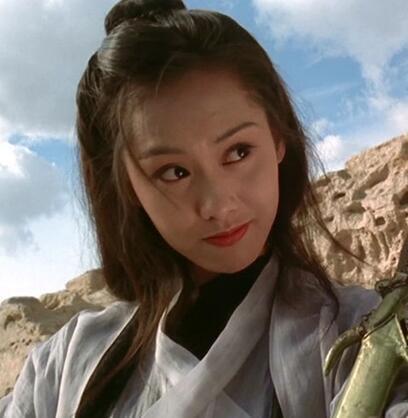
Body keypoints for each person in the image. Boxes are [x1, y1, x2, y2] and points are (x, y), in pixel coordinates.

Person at [1, 0, 407, 417]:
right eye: (174, 172)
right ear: (127, 186)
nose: (218, 205)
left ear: (278, 138)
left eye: (238, 151)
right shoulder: (63, 368)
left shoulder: (367, 339)